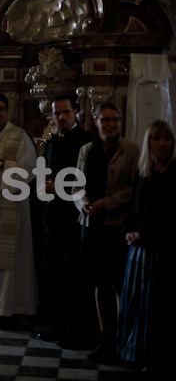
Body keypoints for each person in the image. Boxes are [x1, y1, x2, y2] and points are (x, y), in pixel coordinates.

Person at [72, 101, 139, 362]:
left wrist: (106, 203)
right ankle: (105, 337)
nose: (111, 124)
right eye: (105, 119)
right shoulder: (87, 149)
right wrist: (84, 203)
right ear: (95, 121)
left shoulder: (130, 148)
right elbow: (76, 184)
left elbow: (135, 187)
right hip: (91, 224)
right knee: (100, 283)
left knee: (118, 283)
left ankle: (124, 340)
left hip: (117, 225)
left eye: (115, 120)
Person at [0, 91, 38, 328]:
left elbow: (29, 170)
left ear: (8, 111)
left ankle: (13, 309)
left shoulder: (20, 136)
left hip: (14, 205)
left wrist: (2, 164)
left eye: (1, 109)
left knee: (13, 260)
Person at [119, 120, 176, 378]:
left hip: (160, 249)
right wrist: (130, 232)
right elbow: (136, 208)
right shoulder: (145, 171)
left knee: (156, 308)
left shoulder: (174, 173)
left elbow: (170, 216)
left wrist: (144, 234)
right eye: (157, 138)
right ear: (149, 143)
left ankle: (156, 358)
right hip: (139, 248)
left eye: (167, 138)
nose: (162, 143)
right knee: (136, 303)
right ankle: (136, 353)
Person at [39, 95, 93, 341]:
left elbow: (84, 181)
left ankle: (77, 330)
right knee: (55, 276)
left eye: (65, 113)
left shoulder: (86, 142)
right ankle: (57, 325)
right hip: (52, 220)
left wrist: (57, 187)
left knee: (74, 278)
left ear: (76, 113)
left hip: (72, 220)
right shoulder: (50, 144)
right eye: (56, 113)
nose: (60, 117)